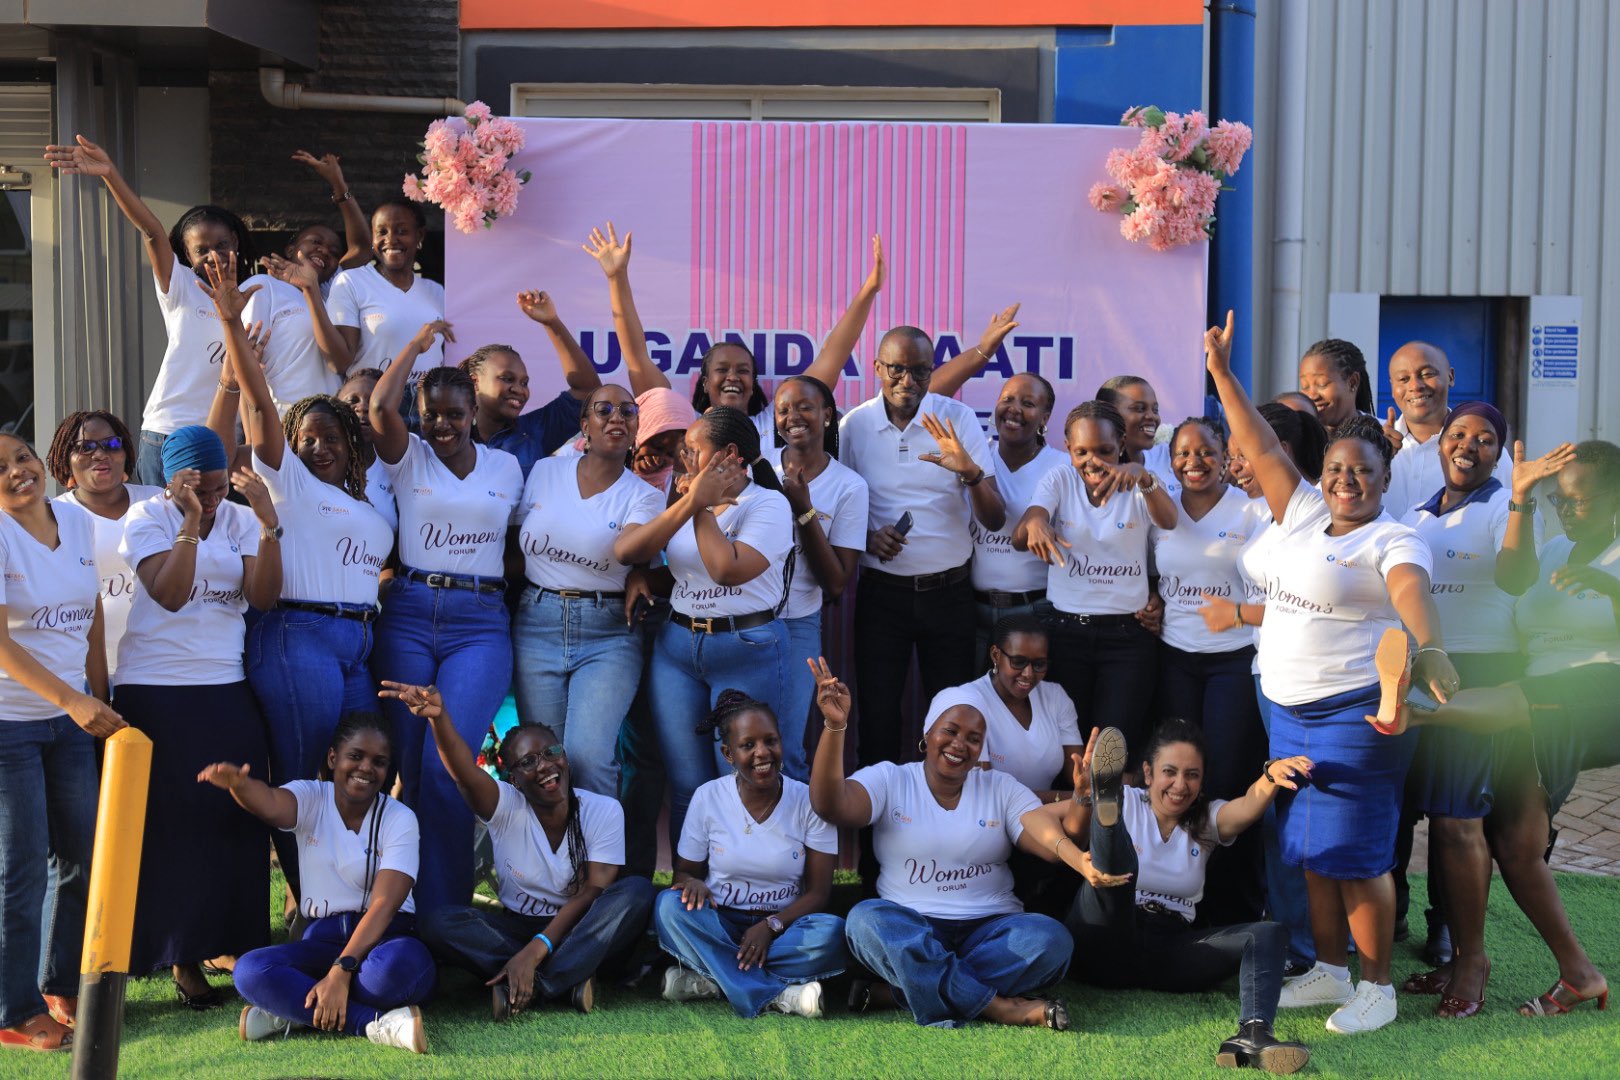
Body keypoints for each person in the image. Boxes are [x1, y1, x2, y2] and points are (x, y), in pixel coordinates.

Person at [1204, 312, 1457, 1035]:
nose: (1348, 480)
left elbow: (1410, 594)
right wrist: (1223, 374)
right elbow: (1253, 437)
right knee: (1308, 848)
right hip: (1288, 710)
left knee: (1356, 855)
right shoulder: (1303, 510)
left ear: (1384, 479)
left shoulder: (1396, 536)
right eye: (1338, 468)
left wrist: (1429, 646)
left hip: (1357, 713)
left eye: (1363, 472)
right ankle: (1330, 969)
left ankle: (1377, 986)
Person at [1367, 438, 1615, 1019]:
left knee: (1513, 708)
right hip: (1539, 702)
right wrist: (1523, 499)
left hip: (1597, 692)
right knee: (1515, 846)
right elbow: (1514, 585)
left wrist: (1610, 590)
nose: (1570, 512)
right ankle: (1578, 973)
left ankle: (1414, 711)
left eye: (1582, 501)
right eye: (1563, 502)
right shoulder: (1554, 548)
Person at [202, 257, 393, 914]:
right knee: (300, 778)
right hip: (297, 635)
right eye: (306, 437)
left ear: (350, 443)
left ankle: (354, 895)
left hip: (356, 645)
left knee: (367, 773)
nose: (318, 446)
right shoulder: (286, 479)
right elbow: (256, 402)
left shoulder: (369, 505)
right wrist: (231, 322)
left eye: (330, 435)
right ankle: (309, 905)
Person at [808, 657, 1094, 1031]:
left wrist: (1084, 798)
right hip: (912, 926)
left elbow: (1048, 836)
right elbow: (830, 803)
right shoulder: (891, 780)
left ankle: (901, 992)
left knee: (1052, 941)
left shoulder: (1000, 787)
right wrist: (834, 725)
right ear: (927, 735)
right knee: (865, 921)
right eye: (951, 731)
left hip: (991, 929)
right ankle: (998, 1007)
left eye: (974, 738)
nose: (961, 744)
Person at [117, 426, 282, 1007]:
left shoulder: (238, 521)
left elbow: (262, 598)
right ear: (175, 480)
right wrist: (189, 523)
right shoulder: (147, 520)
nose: (214, 499)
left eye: (220, 488)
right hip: (155, 690)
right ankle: (180, 957)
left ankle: (232, 941)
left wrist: (266, 523)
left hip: (224, 685)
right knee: (173, 826)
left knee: (233, 817)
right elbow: (169, 594)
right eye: (202, 488)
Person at [1389, 402, 1538, 1017]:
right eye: (1458, 435)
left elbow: (1517, 574)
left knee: (1458, 824)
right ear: (1440, 443)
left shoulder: (1507, 507)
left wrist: (1523, 501)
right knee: (1428, 822)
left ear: (1499, 451)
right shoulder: (1418, 512)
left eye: (1484, 439)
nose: (1468, 446)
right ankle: (1454, 957)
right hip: (1421, 672)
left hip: (1476, 674)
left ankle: (1471, 961)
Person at [368, 322, 522, 914]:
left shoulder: (505, 468)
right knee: (407, 761)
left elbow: (521, 544)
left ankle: (449, 909)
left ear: (472, 412)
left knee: (447, 765)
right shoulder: (407, 459)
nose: (443, 425)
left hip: (479, 622)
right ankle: (399, 905)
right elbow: (382, 403)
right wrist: (417, 345)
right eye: (432, 413)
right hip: (407, 613)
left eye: (455, 414)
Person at [388, 682, 655, 1017]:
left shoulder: (603, 811)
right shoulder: (506, 806)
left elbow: (590, 893)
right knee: (438, 923)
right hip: (517, 929)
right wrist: (439, 720)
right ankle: (569, 978)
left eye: (551, 753)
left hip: (582, 929)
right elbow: (465, 774)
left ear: (564, 756)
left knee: (637, 892)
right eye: (527, 761)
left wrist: (537, 950)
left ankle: (536, 983)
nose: (544, 766)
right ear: (513, 778)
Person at [1064, 722, 1312, 1074]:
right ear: (1147, 773)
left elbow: (1246, 808)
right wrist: (1077, 849)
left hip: (1168, 950)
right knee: (1119, 874)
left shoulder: (1206, 818)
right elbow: (1039, 822)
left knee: (1268, 933)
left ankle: (1254, 1034)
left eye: (1192, 775)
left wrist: (1270, 777)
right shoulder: (1132, 800)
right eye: (1170, 772)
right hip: (1106, 937)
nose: (1180, 785)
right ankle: (1105, 809)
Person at [613, 407, 793, 847]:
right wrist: (644, 575)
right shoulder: (686, 498)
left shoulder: (768, 504)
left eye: (692, 449)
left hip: (744, 649)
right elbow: (653, 559)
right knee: (687, 784)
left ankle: (747, 890)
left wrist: (701, 506)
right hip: (678, 650)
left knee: (740, 779)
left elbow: (726, 569)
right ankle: (686, 890)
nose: (681, 458)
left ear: (729, 454)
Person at [210, 712, 435, 1053]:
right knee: (249, 970)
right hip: (323, 938)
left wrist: (341, 971)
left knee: (397, 970)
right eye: (355, 756)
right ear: (333, 758)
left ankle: (292, 1008)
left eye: (379, 762)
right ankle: (376, 1024)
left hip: (385, 941)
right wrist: (240, 786)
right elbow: (270, 803)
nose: (365, 768)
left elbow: (385, 904)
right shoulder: (311, 796)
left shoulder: (399, 818)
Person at [0, 434, 122, 1053]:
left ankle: (56, 983)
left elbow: (92, 612)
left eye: (21, 458)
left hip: (72, 719)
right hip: (9, 724)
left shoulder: (74, 520)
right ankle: (11, 1009)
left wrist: (96, 695)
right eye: (0, 470)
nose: (17, 473)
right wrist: (72, 700)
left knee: (77, 853)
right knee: (19, 868)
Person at [44, 135, 256, 484]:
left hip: (223, 438)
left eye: (221, 245)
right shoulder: (183, 286)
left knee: (213, 536)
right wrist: (109, 173)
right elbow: (152, 232)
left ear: (236, 241)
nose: (213, 255)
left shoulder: (256, 294)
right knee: (162, 534)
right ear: (187, 256)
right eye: (201, 250)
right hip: (167, 434)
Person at [839, 326, 1006, 767]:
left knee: (951, 721)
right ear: (877, 368)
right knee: (876, 719)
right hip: (881, 595)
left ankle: (945, 825)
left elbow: (994, 518)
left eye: (920, 371)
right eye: (896, 369)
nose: (907, 382)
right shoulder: (854, 426)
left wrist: (970, 472)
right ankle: (878, 831)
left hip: (949, 596)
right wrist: (868, 539)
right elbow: (838, 506)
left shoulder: (957, 418)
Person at [1202, 401, 1327, 973]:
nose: (1240, 462)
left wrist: (1242, 615)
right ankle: (1285, 933)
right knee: (1273, 806)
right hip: (1264, 675)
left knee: (1296, 813)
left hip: (1310, 688)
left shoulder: (1317, 513)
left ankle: (1307, 950)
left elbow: (1312, 607)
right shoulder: (1264, 513)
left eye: (1251, 450)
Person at [655, 692, 846, 1018]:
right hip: (720, 923)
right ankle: (775, 995)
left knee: (834, 933)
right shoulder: (708, 798)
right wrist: (693, 884)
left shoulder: (808, 801)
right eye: (748, 745)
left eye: (770, 741)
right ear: (728, 753)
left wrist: (771, 926)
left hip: (783, 928)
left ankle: (713, 981)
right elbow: (683, 875)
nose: (762, 753)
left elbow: (819, 893)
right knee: (669, 907)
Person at [512, 384, 663, 796]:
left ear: (636, 429)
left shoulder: (646, 497)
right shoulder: (544, 472)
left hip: (609, 630)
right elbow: (510, 538)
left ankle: (596, 861)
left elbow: (634, 551)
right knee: (541, 762)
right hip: (536, 623)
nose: (617, 417)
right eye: (604, 409)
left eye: (628, 412)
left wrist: (640, 573)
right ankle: (549, 861)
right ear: (585, 425)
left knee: (588, 758)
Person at [1150, 416, 1271, 922]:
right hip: (1175, 657)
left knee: (1223, 777)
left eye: (1205, 452)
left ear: (1225, 455)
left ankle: (1232, 904)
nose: (1193, 462)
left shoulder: (1253, 511)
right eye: (1182, 453)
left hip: (1233, 660)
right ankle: (1175, 893)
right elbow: (1152, 572)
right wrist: (1152, 602)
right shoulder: (1161, 509)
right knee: (1179, 779)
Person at [1014, 399, 1177, 762]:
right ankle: (1070, 818)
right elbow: (1030, 522)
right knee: (1068, 748)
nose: (1093, 461)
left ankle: (1108, 819)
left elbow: (1169, 521)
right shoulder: (1060, 478)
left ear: (1121, 444)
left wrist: (1146, 479)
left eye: (1104, 451)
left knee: (1112, 749)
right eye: (1082, 451)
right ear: (1068, 449)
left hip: (1128, 640)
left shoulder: (1140, 484)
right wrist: (1037, 522)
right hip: (1064, 634)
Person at [763, 375, 868, 778]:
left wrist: (804, 511)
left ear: (828, 415)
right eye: (784, 409)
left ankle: (799, 840)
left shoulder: (849, 486)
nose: (793, 417)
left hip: (798, 626)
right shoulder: (758, 468)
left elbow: (837, 582)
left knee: (786, 751)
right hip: (744, 623)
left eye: (805, 407)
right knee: (740, 745)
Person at [47, 410, 163, 678]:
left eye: (111, 444)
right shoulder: (54, 516)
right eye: (85, 447)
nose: (100, 454)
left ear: (125, 452)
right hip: (83, 675)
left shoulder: (157, 502)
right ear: (67, 458)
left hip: (159, 669)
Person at [969, 374, 1068, 662]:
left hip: (1036, 613)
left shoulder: (1062, 467)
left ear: (1045, 417)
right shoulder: (976, 463)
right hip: (975, 615)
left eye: (1028, 403)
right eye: (1007, 400)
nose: (1014, 409)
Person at [459, 290, 604, 477]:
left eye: (524, 383)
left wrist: (552, 323)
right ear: (474, 382)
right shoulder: (449, 432)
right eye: (507, 378)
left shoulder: (533, 432)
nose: (519, 390)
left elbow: (588, 392)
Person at [1379, 342, 1513, 520]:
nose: (1415, 386)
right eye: (1403, 379)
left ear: (1450, 376)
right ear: (1392, 387)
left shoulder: (1486, 453)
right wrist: (1376, 457)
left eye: (1427, 374)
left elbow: (1511, 521)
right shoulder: (1374, 447)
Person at [328, 200, 445, 377]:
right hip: (371, 401)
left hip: (427, 402)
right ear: (372, 239)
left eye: (402, 231)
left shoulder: (436, 291)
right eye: (381, 232)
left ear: (419, 235)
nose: (390, 239)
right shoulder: (351, 282)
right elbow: (340, 362)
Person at [335, 367, 398, 530]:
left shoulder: (398, 468)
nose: (362, 407)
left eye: (372, 402)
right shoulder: (317, 463)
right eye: (352, 401)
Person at [1096, 374, 1175, 490]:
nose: (1151, 416)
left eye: (1155, 410)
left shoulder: (1171, 456)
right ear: (1108, 414)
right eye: (1139, 408)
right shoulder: (1088, 472)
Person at [1296, 338, 1372, 437]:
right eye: (1305, 386)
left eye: (1322, 384)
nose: (1312, 396)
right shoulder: (1297, 438)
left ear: (1352, 382)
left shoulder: (1384, 434)